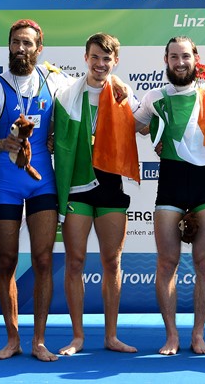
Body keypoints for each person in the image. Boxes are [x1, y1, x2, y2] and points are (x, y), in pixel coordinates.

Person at [0, 19, 72, 362]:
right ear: (8, 45)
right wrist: (5, 142)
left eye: (28, 43)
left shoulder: (55, 81)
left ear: (39, 48)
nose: (21, 48)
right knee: (7, 261)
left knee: (44, 260)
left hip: (42, 181)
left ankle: (39, 341)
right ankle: (13, 338)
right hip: (5, 184)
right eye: (16, 42)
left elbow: (93, 86)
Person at [133, 36, 205, 355]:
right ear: (166, 60)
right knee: (167, 262)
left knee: (204, 262)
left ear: (195, 58)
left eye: (185, 56)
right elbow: (129, 127)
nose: (180, 62)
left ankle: (198, 335)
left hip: (204, 186)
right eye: (174, 56)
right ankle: (172, 336)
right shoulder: (153, 97)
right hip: (169, 186)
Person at [53, 33, 140, 355]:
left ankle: (111, 336)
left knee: (112, 262)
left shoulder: (122, 96)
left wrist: (128, 93)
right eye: (95, 57)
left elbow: (144, 125)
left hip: (111, 188)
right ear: (85, 58)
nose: (100, 64)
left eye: (107, 59)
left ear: (115, 62)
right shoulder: (65, 95)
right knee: (74, 262)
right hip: (77, 187)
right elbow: (50, 132)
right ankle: (77, 337)